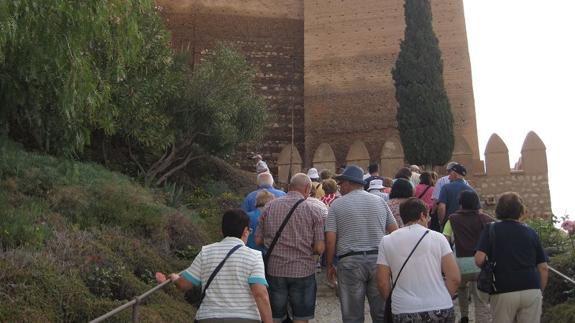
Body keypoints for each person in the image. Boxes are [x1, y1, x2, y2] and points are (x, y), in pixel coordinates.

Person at [156, 209, 273, 323]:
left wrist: (175, 278)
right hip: (245, 317)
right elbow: (260, 294)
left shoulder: (206, 252)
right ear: (245, 231)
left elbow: (185, 285)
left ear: (222, 230)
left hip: (208, 317)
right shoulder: (254, 256)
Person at [325, 165, 398, 323]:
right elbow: (394, 231)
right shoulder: (379, 201)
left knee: (352, 315)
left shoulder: (337, 205)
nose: (339, 187)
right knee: (381, 313)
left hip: (350, 261)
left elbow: (330, 238)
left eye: (341, 183)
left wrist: (330, 263)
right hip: (378, 261)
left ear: (349, 183)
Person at [256, 173, 327, 323]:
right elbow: (320, 248)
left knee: (275, 317)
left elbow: (258, 240)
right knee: (301, 318)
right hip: (303, 270)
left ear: (289, 187)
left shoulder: (269, 206)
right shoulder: (315, 211)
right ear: (308, 188)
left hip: (275, 270)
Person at [376, 197, 460, 323]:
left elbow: (382, 282)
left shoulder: (387, 241)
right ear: (422, 215)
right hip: (440, 306)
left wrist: (395, 301)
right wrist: (443, 298)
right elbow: (454, 278)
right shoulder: (439, 238)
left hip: (403, 309)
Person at [475, 192, 549, 323]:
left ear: (498, 210)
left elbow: (479, 259)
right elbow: (543, 268)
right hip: (531, 288)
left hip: (503, 289)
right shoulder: (531, 232)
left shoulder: (491, 229)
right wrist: (539, 291)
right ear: (521, 210)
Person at [442, 190, 493, 323]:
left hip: (459, 266)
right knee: (481, 301)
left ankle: (464, 317)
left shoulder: (452, 219)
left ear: (460, 204)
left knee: (462, 288)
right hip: (479, 265)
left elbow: (444, 239)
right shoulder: (486, 219)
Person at [437, 164, 479, 230]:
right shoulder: (472, 190)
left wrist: (442, 222)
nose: (448, 177)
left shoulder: (445, 188)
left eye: (450, 175)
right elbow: (479, 210)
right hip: (468, 226)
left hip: (450, 225)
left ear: (455, 175)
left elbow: (442, 207)